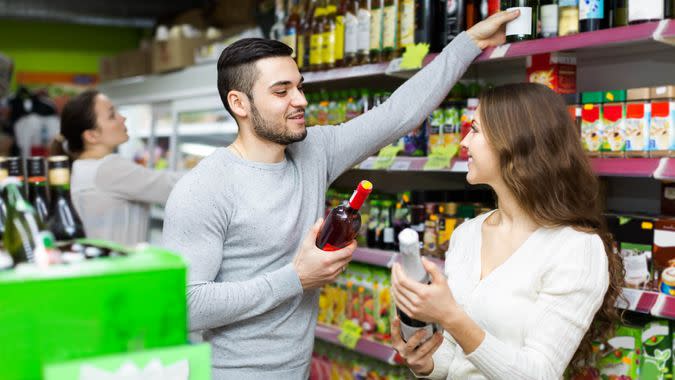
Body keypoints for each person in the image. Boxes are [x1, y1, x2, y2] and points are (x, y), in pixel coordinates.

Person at [162, 10, 520, 379]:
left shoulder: (314, 151)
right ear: (239, 104)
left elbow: (399, 113)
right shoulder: (204, 188)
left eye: (299, 86)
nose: (300, 100)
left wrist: (469, 42)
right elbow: (184, 306)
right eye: (281, 91)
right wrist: (295, 278)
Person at [389, 83, 623, 379]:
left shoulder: (576, 248)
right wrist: (423, 360)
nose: (464, 142)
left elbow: (540, 373)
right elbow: (453, 359)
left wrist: (450, 315)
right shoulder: (467, 234)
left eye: (475, 130)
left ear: (513, 142)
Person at [53, 90, 182, 245]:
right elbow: (173, 186)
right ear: (91, 135)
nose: (123, 118)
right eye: (112, 115)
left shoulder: (80, 168)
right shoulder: (108, 169)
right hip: (121, 266)